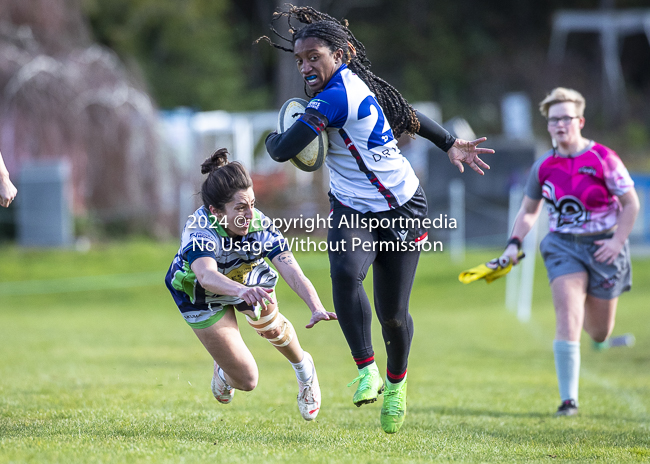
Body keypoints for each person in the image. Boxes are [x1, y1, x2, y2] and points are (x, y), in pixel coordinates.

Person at [257, 6, 494, 433]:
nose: (306, 66)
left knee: (394, 314)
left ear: (341, 55)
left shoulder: (335, 96)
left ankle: (398, 384)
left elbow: (281, 150)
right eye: (299, 60)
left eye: (314, 57)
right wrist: (449, 144)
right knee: (346, 274)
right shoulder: (346, 88)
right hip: (352, 208)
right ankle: (367, 369)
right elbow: (411, 117)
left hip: (403, 207)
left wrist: (274, 135)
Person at [165, 148, 337, 421]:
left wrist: (315, 306)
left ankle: (305, 371)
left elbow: (293, 272)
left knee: (272, 324)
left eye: (253, 204)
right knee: (247, 380)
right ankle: (224, 368)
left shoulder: (260, 225)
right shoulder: (200, 228)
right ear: (216, 211)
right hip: (198, 293)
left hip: (245, 276)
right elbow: (207, 276)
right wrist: (242, 292)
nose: (250, 214)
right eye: (240, 208)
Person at [501, 88, 639, 416]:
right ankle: (568, 400)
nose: (560, 125)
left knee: (599, 329)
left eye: (566, 118)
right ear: (547, 126)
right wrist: (513, 244)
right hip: (563, 246)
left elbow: (631, 203)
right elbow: (530, 211)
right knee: (568, 315)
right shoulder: (543, 166)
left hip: (605, 246)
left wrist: (617, 242)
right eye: (553, 120)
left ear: (580, 121)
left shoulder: (604, 158)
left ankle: (600, 339)